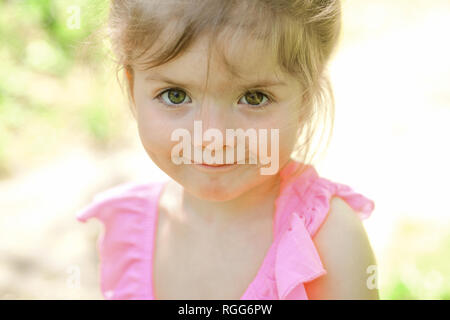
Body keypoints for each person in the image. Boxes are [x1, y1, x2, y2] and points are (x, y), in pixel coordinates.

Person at [77, 0, 378, 300]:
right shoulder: (129, 234)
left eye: (255, 97)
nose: (213, 137)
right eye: (175, 95)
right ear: (132, 89)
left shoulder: (331, 242)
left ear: (305, 99)